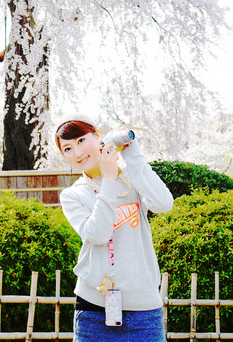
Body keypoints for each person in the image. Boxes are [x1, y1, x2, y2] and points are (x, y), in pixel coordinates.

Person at [56, 115, 173, 342]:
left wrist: (133, 155)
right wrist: (108, 180)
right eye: (68, 149)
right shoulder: (73, 195)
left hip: (145, 311)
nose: (78, 153)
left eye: (81, 140)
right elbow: (98, 234)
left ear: (97, 136)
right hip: (94, 311)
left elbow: (164, 204)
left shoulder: (132, 179)